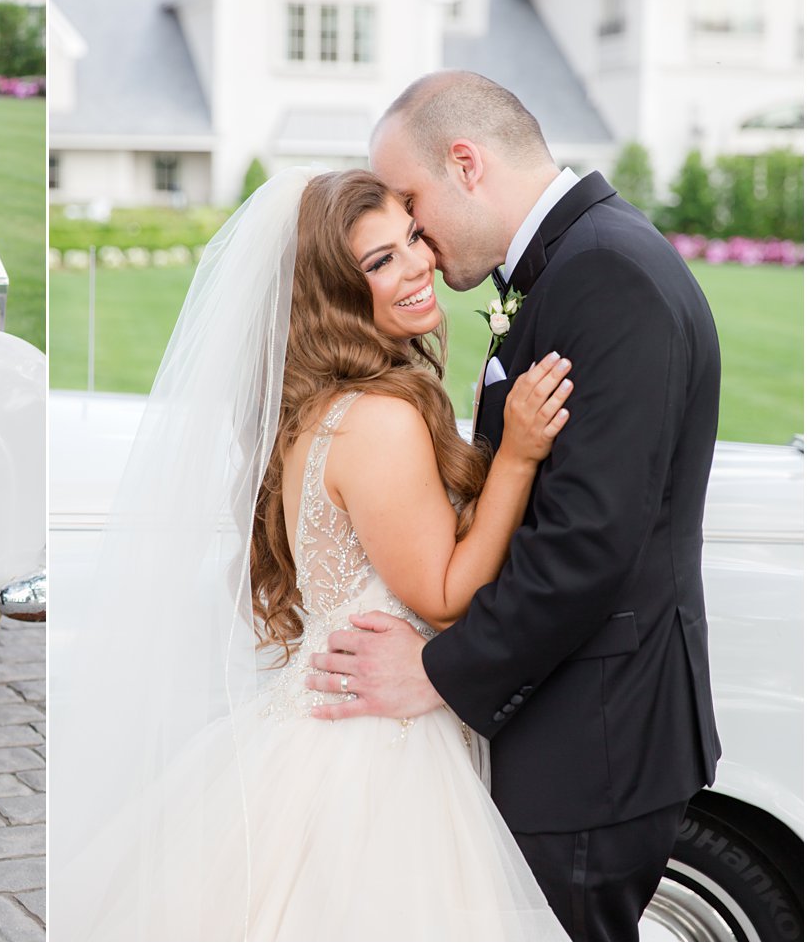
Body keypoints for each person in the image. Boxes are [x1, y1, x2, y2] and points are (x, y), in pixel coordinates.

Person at [53, 168, 572, 940]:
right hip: (376, 750)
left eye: (412, 240)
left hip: (331, 718)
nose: (418, 264)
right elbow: (442, 591)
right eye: (380, 261)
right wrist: (519, 458)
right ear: (334, 294)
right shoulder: (378, 419)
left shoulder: (320, 406)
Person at [309, 71, 722, 941]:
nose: (414, 237)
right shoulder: (582, 263)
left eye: (414, 207)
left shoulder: (605, 274)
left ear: (466, 162)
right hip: (572, 732)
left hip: (591, 743)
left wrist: (434, 673)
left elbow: (586, 543)